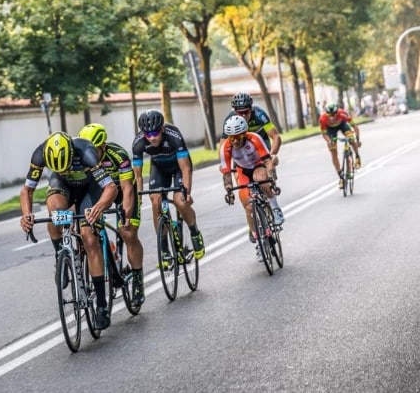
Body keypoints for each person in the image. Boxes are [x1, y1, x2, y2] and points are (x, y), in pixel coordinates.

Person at [19, 131, 119, 329]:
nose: (64, 170)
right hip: (62, 186)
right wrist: (26, 214)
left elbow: (110, 188)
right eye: (58, 168)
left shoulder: (86, 152)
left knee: (89, 238)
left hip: (89, 189)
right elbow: (27, 190)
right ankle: (61, 255)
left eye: (65, 167)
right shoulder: (40, 154)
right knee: (55, 212)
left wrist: (98, 207)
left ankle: (101, 305)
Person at [78, 123, 145, 304]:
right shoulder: (82, 157)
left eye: (94, 150)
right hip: (100, 192)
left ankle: (138, 279)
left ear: (103, 146)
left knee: (128, 232)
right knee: (89, 232)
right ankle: (107, 257)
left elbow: (128, 189)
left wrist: (126, 214)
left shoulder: (118, 155)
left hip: (122, 191)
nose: (90, 155)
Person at [132, 109, 206, 264]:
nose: (152, 138)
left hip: (178, 167)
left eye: (155, 133)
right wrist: (137, 198)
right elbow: (137, 176)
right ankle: (164, 248)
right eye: (148, 134)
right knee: (155, 201)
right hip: (159, 168)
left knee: (180, 201)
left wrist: (186, 193)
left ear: (162, 129)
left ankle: (194, 232)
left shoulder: (174, 136)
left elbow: (186, 169)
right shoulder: (138, 143)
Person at [218, 115, 283, 244]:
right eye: (232, 137)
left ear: (245, 133)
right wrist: (229, 190)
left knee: (260, 179)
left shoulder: (254, 138)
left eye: (238, 137)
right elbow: (226, 175)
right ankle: (257, 239)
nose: (235, 141)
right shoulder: (225, 147)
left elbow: (268, 161)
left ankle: (275, 209)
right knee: (247, 205)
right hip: (242, 170)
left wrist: (272, 179)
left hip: (258, 164)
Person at [220, 92, 282, 178]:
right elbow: (223, 145)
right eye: (240, 113)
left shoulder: (259, 115)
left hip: (261, 145)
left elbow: (276, 137)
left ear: (251, 108)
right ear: (235, 112)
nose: (244, 115)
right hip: (241, 149)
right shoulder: (230, 120)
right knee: (238, 176)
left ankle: (270, 186)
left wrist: (271, 156)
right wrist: (224, 164)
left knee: (262, 176)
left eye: (246, 111)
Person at [318, 102, 362, 189]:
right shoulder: (322, 119)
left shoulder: (343, 114)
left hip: (342, 125)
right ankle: (341, 177)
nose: (332, 117)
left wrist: (357, 140)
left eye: (334, 115)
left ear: (337, 113)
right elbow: (324, 134)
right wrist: (329, 141)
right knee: (333, 150)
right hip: (330, 130)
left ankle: (357, 155)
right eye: (329, 116)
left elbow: (355, 127)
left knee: (351, 139)